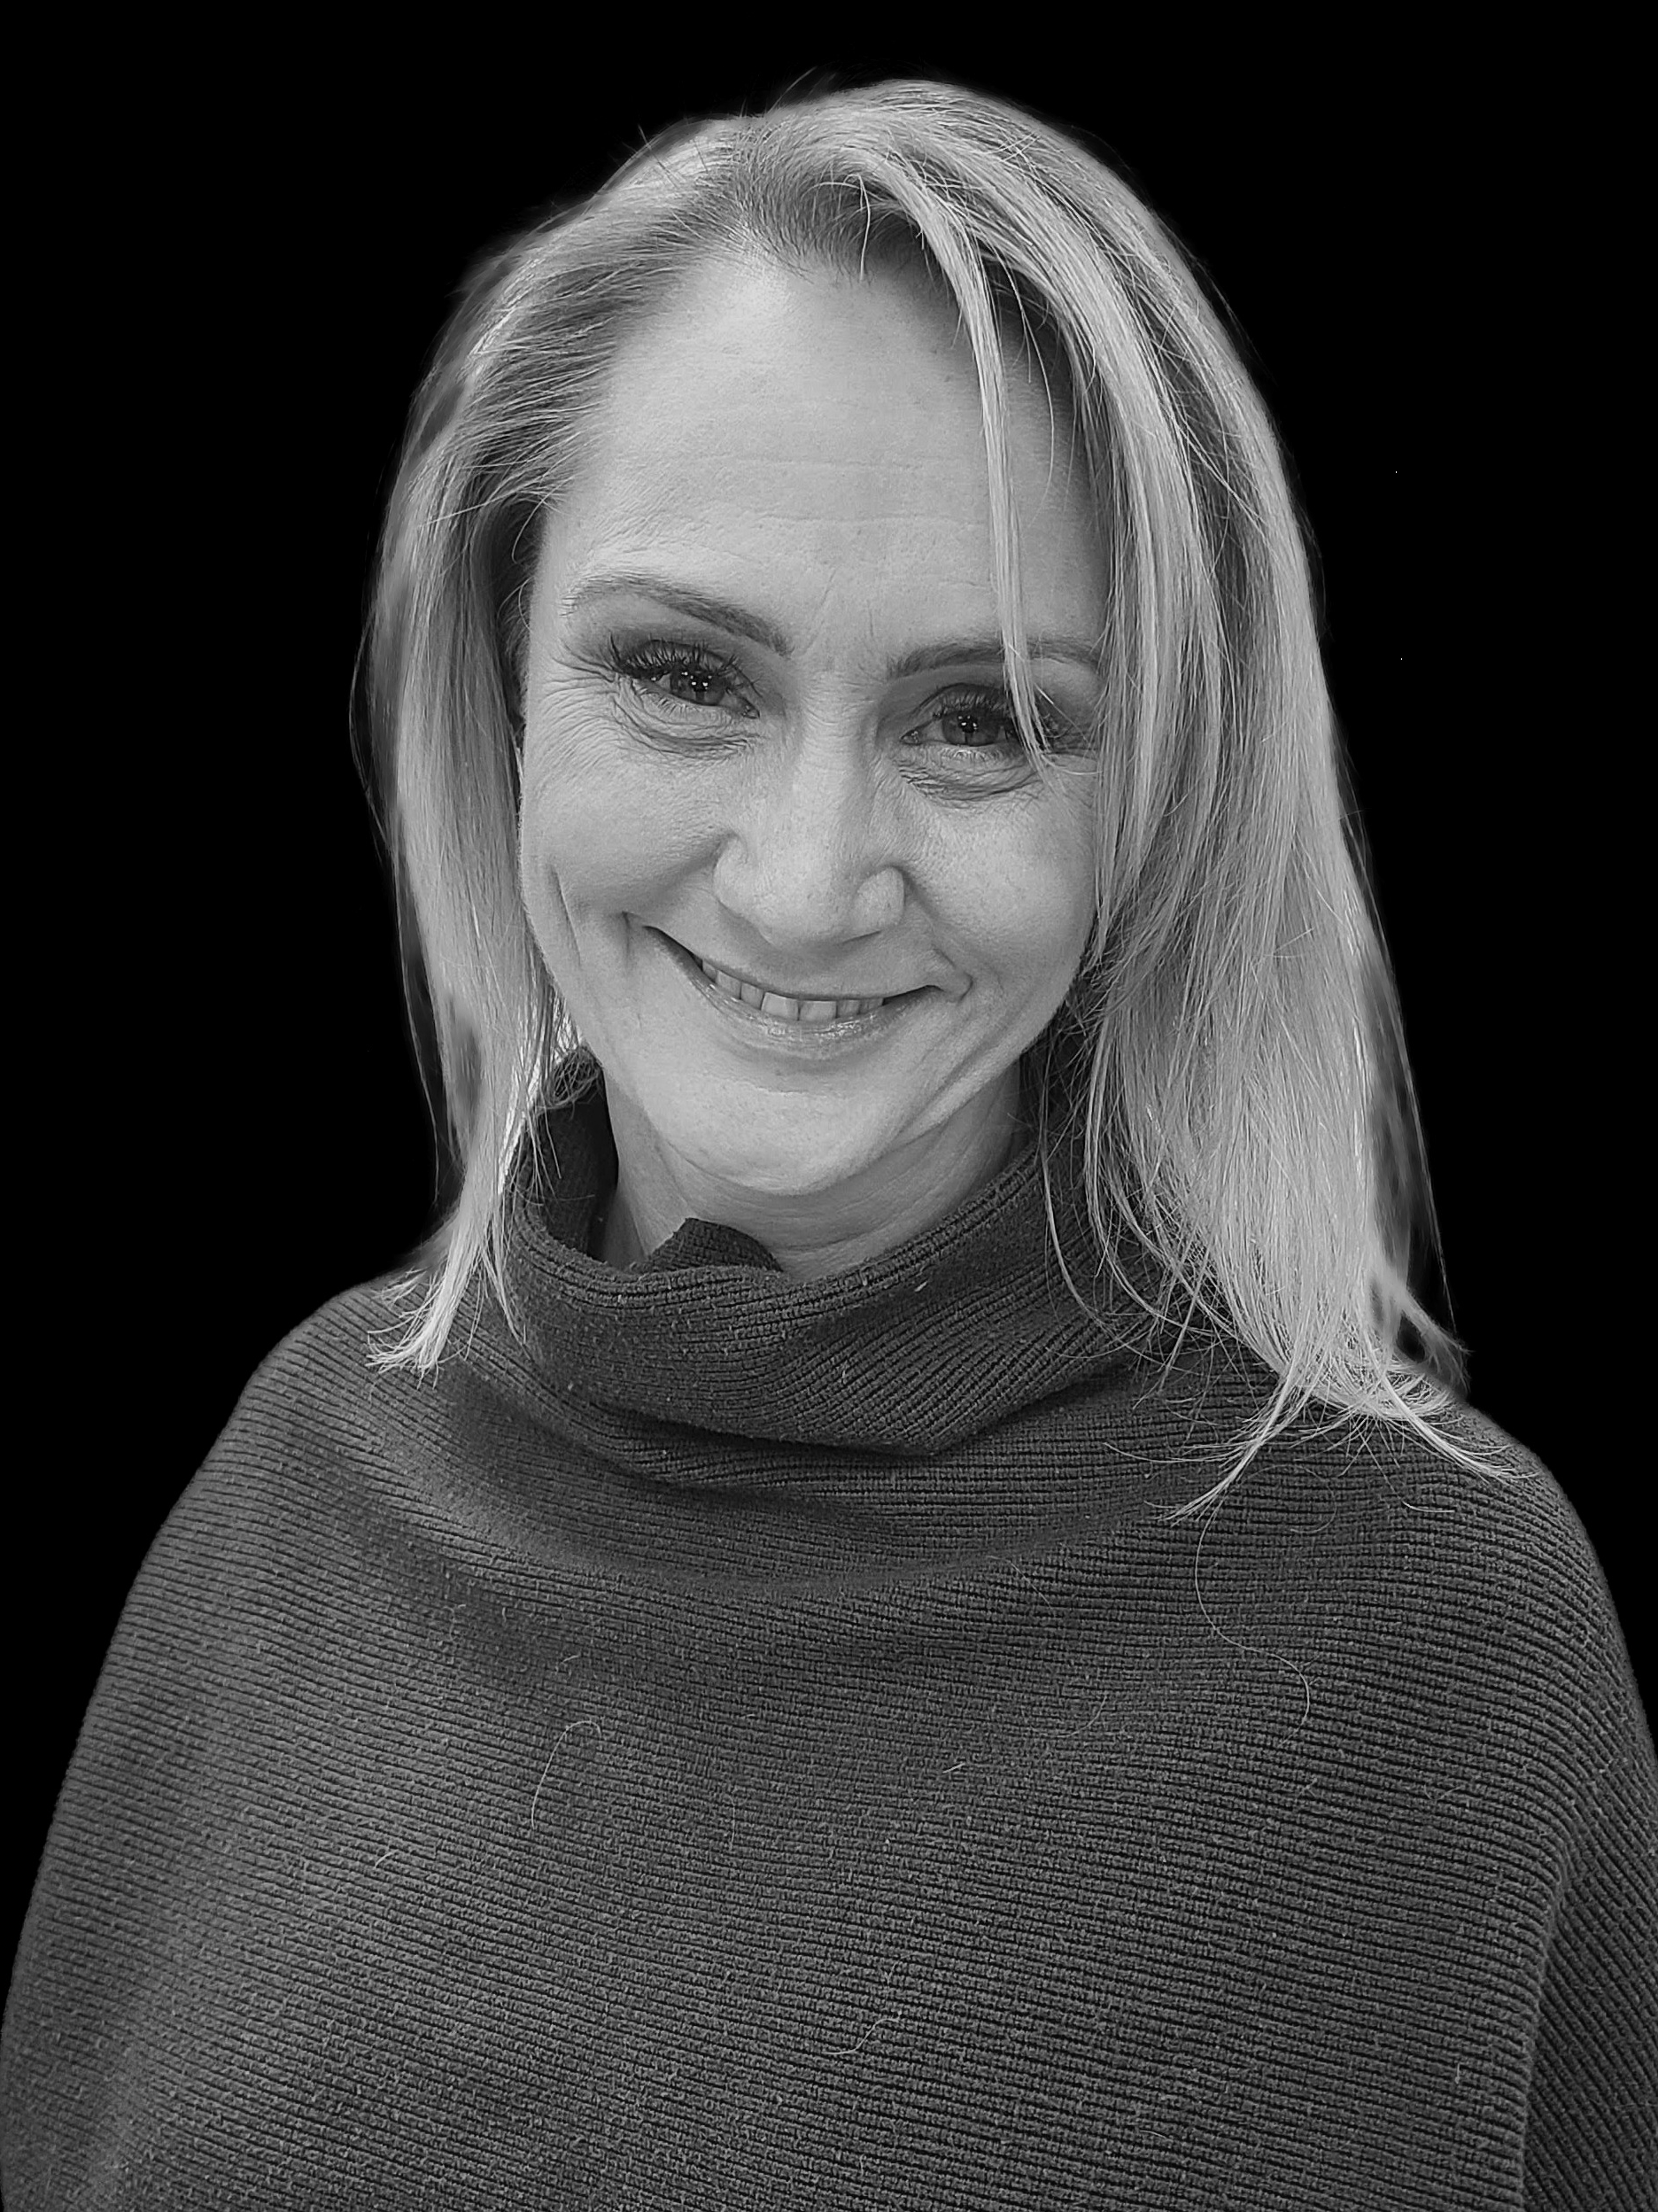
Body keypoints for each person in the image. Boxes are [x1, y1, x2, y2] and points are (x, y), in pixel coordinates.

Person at [4, 73, 1652, 2211]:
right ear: (503, 678)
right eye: (685, 673)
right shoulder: (304, 1475)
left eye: (982, 721)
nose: (802, 883)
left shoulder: (1428, 1630)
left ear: (1159, 799)